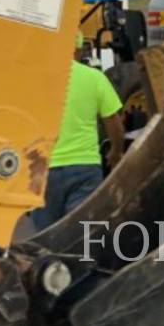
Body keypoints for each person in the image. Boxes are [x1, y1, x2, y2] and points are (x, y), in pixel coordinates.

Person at [33, 35, 125, 229]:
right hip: (85, 168)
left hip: (43, 169)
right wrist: (116, 151)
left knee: (46, 237)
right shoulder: (94, 78)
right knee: (82, 234)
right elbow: (114, 122)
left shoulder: (36, 79)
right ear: (77, 50)